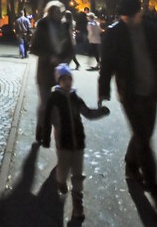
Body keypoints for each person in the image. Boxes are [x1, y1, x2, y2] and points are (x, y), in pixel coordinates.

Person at [98, 0, 157, 214]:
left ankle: (131, 164)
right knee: (144, 139)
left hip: (152, 92)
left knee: (143, 134)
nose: (126, 19)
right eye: (123, 16)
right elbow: (107, 64)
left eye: (130, 16)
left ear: (139, 13)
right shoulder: (115, 33)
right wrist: (103, 90)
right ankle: (155, 190)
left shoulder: (153, 30)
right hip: (130, 94)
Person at [42, 64, 110, 221]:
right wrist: (45, 137)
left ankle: (78, 205)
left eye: (69, 79)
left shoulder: (75, 98)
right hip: (63, 143)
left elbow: (88, 113)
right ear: (59, 81)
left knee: (78, 174)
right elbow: (47, 120)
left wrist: (101, 112)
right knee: (63, 171)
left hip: (78, 141)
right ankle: (60, 181)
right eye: (64, 79)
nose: (67, 82)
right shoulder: (54, 100)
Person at [30, 0, 66, 142]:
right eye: (57, 12)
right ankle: (41, 128)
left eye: (61, 12)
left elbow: (69, 48)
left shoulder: (63, 26)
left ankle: (55, 134)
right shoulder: (43, 25)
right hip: (45, 71)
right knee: (45, 104)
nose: (60, 14)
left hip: (60, 72)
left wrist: (65, 59)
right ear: (50, 12)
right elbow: (34, 48)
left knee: (57, 104)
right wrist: (49, 56)